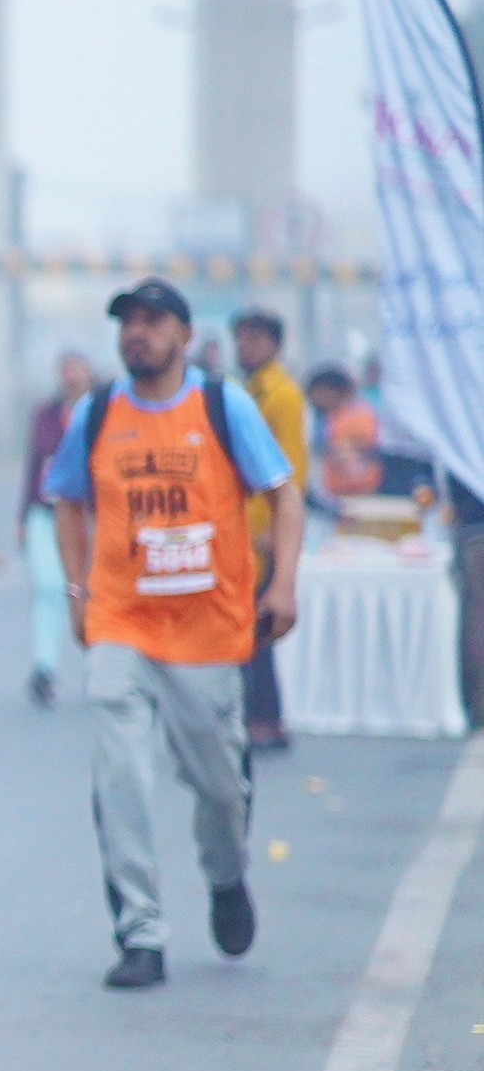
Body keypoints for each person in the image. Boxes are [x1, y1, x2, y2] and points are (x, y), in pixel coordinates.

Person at [47, 279, 303, 991]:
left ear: (185, 336)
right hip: (122, 623)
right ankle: (141, 932)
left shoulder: (224, 405)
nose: (137, 332)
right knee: (121, 777)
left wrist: (282, 584)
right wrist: (77, 590)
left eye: (153, 321)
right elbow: (66, 500)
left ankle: (226, 873)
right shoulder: (98, 412)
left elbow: (284, 496)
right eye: (127, 322)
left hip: (207, 632)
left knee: (220, 789)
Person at [233, 310, 309, 754]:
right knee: (247, 628)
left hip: (264, 532)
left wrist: (280, 529)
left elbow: (292, 472)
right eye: (242, 339)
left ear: (275, 344)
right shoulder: (247, 391)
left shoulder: (282, 395)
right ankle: (256, 716)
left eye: (255, 339)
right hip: (242, 530)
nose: (246, 347)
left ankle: (266, 719)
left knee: (259, 628)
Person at [19, 352, 94, 709]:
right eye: (65, 370)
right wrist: (22, 516)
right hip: (46, 511)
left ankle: (98, 661)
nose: (71, 377)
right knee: (49, 587)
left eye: (76, 370)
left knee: (94, 589)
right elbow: (34, 465)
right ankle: (45, 666)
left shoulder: (103, 410)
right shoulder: (44, 415)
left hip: (90, 514)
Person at [308, 367, 382, 505]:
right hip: (338, 494)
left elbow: (364, 450)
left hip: (360, 492)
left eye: (320, 392)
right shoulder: (330, 418)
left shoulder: (358, 417)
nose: (315, 399)